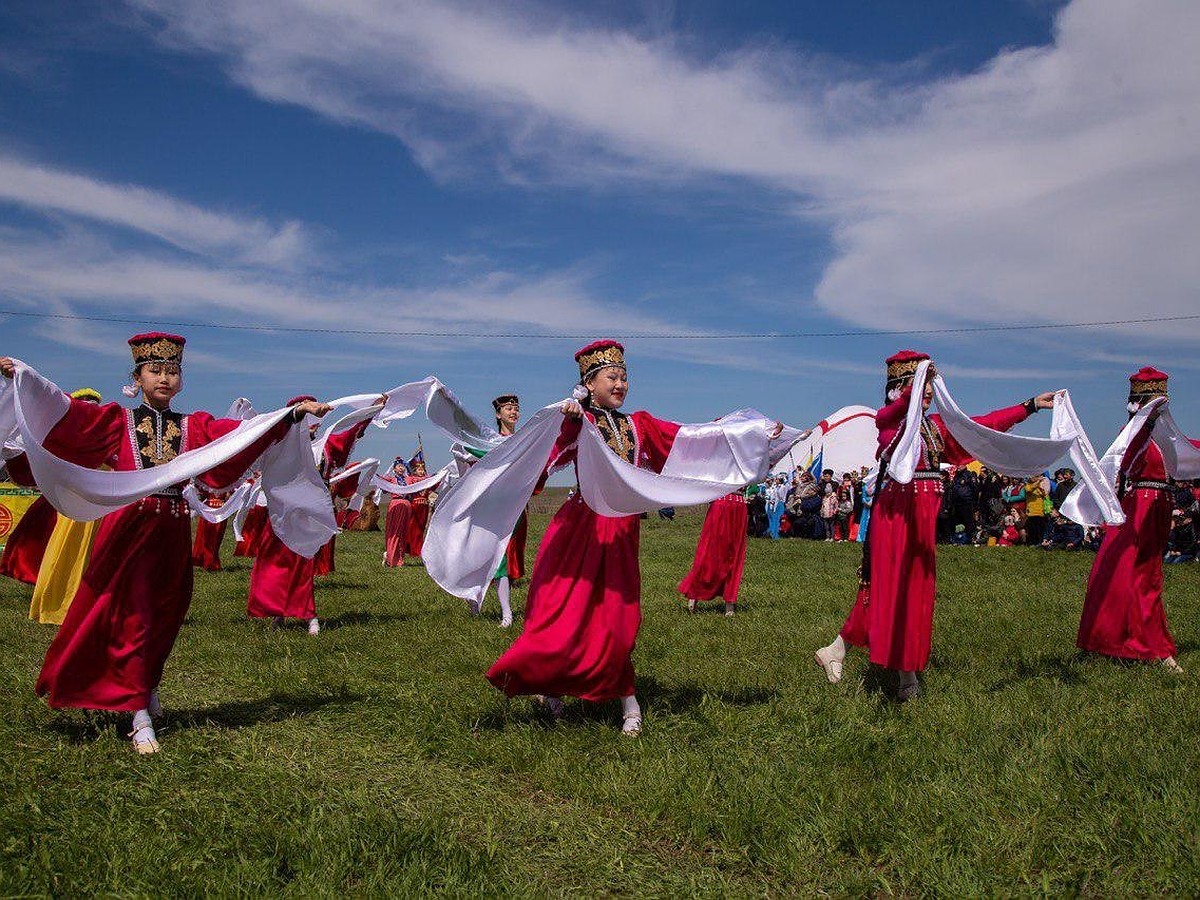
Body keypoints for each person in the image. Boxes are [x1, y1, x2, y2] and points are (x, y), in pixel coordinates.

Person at [0, 336, 329, 753]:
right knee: (130, 613)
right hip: (128, 529)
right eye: (154, 370)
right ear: (136, 378)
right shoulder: (115, 421)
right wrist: (26, 380)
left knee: (166, 611)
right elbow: (69, 417)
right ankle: (137, 711)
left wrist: (293, 412)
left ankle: (146, 683)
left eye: (172, 371)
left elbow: (241, 435)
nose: (164, 378)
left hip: (172, 530)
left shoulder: (193, 427)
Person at [814, 350, 1054, 699]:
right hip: (897, 519)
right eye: (919, 385)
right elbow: (889, 421)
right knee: (897, 594)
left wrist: (1028, 406)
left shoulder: (936, 428)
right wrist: (915, 391)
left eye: (930, 386)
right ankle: (905, 680)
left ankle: (838, 651)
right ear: (900, 388)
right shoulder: (889, 424)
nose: (928, 392)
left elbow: (982, 425)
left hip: (922, 524)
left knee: (906, 594)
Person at [485, 340, 684, 736]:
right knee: (567, 611)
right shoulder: (580, 421)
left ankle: (625, 696)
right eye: (613, 376)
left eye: (625, 377)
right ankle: (556, 686)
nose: (622, 383)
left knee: (618, 617)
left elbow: (688, 440)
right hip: (582, 528)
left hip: (622, 530)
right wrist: (569, 419)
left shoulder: (637, 424)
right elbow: (546, 458)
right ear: (590, 383)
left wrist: (750, 435)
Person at [1077, 368, 1200, 672]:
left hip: (1159, 504)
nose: (1163, 405)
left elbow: (1187, 453)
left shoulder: (1164, 433)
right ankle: (1151, 647)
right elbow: (1121, 463)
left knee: (1144, 574)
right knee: (1137, 575)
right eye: (1157, 399)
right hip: (1140, 505)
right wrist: (1144, 424)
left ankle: (1129, 641)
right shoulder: (1133, 433)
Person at [247, 399, 373, 635]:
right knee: (273, 564)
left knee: (302, 565)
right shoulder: (278, 445)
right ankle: (277, 612)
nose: (311, 424)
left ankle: (309, 614)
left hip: (307, 515)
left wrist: (371, 411)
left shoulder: (323, 446)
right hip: (280, 513)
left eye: (315, 420)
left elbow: (349, 433)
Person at [26, 389, 106, 625]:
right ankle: (60, 604)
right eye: (86, 404)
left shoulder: (103, 434)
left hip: (103, 504)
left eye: (95, 404)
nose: (92, 407)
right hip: (76, 504)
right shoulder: (67, 436)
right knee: (69, 549)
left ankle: (93, 605)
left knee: (98, 552)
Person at [678, 491, 747, 617]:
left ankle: (729, 602)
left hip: (739, 505)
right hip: (721, 502)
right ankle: (694, 592)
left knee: (734, 555)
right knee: (710, 553)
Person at [189, 486, 231, 572]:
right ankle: (209, 563)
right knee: (208, 538)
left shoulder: (227, 480)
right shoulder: (207, 479)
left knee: (213, 538)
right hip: (212, 511)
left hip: (217, 511)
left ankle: (206, 561)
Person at [381, 458, 412, 567]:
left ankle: (399, 558)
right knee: (394, 532)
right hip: (396, 504)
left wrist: (437, 475)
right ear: (394, 469)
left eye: (402, 466)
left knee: (403, 533)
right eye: (399, 466)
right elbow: (381, 483)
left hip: (407, 505)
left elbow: (421, 480)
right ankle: (391, 557)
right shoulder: (391, 480)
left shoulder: (409, 480)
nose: (401, 468)